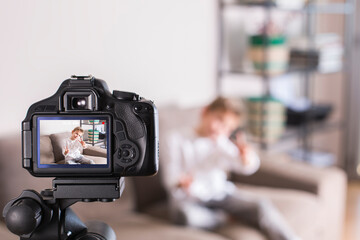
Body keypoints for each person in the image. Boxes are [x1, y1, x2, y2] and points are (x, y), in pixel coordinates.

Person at [161, 97, 301, 240]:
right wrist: (181, 182)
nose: (220, 128)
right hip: (190, 200)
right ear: (205, 112)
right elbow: (170, 178)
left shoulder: (220, 142)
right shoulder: (174, 138)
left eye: (227, 128)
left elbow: (246, 167)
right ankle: (223, 218)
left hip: (220, 194)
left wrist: (246, 156)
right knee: (186, 217)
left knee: (261, 205)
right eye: (219, 119)